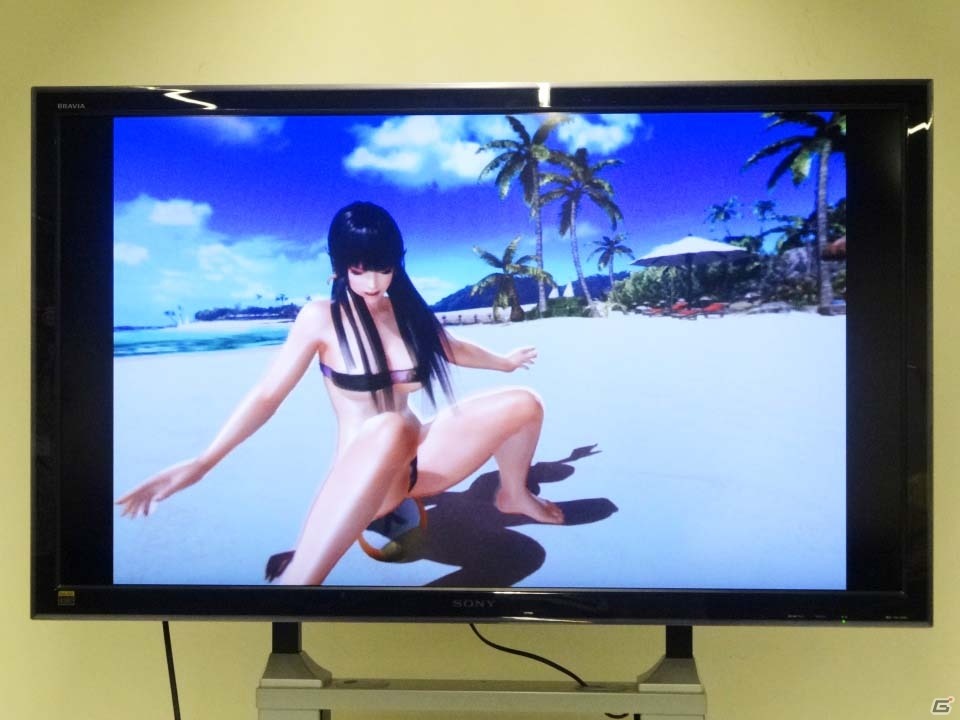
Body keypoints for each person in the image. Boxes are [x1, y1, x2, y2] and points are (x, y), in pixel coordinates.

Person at [117, 201, 564, 585]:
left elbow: (452, 347)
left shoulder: (406, 311)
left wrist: (504, 362)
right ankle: (300, 580)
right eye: (359, 270)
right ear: (340, 265)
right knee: (389, 427)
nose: (373, 283)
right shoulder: (320, 318)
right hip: (367, 481)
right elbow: (267, 395)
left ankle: (513, 495)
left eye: (384, 269)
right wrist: (203, 462)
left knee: (524, 403)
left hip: (416, 464)